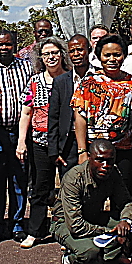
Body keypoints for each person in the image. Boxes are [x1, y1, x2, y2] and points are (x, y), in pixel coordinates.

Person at [51, 140, 132, 264]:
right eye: (100, 160)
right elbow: (76, 226)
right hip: (65, 223)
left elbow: (126, 202)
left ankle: (106, 258)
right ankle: (72, 260)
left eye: (110, 161)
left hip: (93, 217)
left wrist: (125, 221)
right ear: (90, 158)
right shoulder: (74, 178)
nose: (105, 165)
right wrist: (109, 231)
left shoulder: (113, 173)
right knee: (89, 251)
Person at [17, 37, 70, 248]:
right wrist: (21, 141)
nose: (51, 57)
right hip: (39, 142)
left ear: (62, 54)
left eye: (55, 52)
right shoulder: (35, 81)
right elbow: (26, 112)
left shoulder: (71, 79)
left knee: (69, 187)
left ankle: (68, 231)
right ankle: (35, 231)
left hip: (66, 143)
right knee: (40, 187)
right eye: (46, 54)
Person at [73, 34, 132, 197]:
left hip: (125, 150)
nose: (112, 59)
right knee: (94, 195)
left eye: (117, 55)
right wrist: (82, 151)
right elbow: (80, 117)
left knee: (125, 193)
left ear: (124, 56)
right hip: (96, 149)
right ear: (99, 57)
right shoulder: (88, 83)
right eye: (107, 55)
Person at [0, 31, 34, 243]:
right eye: (0, 45)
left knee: (18, 179)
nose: (4, 48)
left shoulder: (26, 67)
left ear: (14, 45)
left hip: (19, 132)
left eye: (8, 44)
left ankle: (17, 225)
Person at [48, 34, 93, 176]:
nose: (76, 54)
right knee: (70, 183)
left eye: (80, 50)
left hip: (94, 139)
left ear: (89, 50)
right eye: (72, 51)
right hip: (68, 143)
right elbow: (53, 117)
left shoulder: (100, 77)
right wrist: (54, 151)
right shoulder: (61, 82)